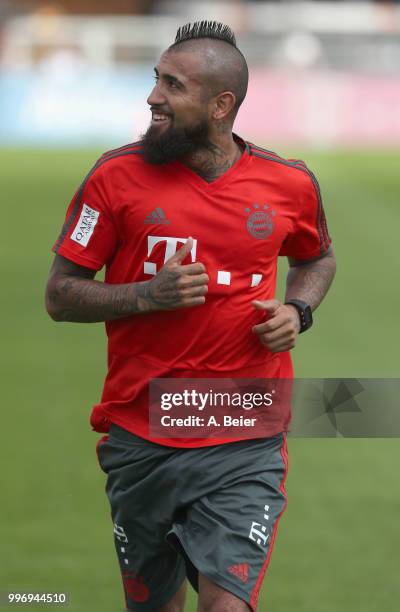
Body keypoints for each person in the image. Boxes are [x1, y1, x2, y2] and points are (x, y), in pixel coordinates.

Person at [45, 20, 336, 612]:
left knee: (226, 605)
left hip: (245, 433)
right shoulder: (113, 177)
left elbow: (317, 257)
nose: (153, 96)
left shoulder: (289, 183)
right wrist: (145, 295)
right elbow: (60, 294)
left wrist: (298, 309)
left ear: (221, 104)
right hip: (141, 433)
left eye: (173, 86)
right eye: (157, 79)